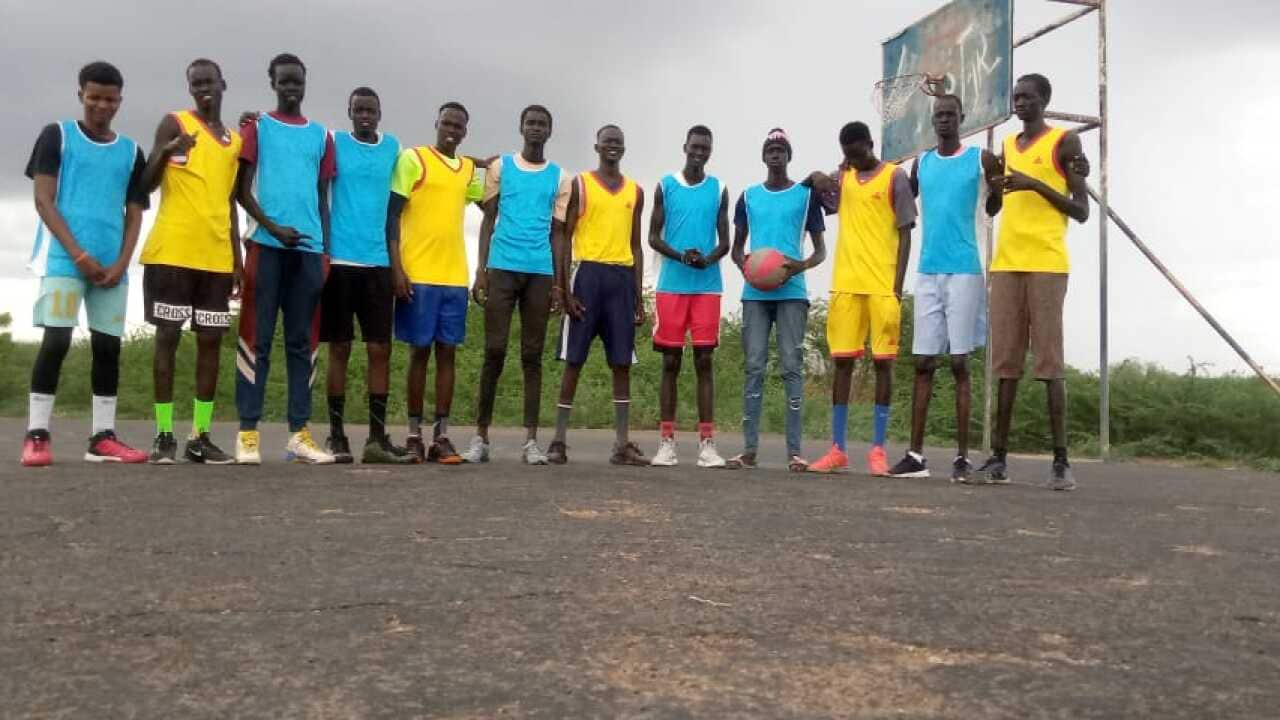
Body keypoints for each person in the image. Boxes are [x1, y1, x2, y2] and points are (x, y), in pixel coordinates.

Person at [21, 61, 149, 467]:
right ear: (81, 95)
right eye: (93, 97)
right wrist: (78, 254)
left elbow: (135, 212)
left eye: (109, 99)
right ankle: (37, 435)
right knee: (56, 341)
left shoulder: (132, 152)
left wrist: (123, 262)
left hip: (112, 266)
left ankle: (102, 438)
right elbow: (44, 200)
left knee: (108, 347)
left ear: (120, 101)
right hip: (63, 259)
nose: (101, 106)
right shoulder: (57, 136)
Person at [981, 73, 1090, 491]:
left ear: (1045, 100)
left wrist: (1035, 183)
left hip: (1046, 262)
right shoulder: (1008, 146)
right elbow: (995, 206)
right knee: (1005, 364)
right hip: (1006, 263)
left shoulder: (1065, 142)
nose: (1020, 103)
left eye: (1028, 97)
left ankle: (1061, 462)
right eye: (1016, 98)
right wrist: (994, 182)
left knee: (1049, 363)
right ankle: (998, 458)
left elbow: (1079, 210)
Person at [886, 94, 1004, 481]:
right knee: (923, 362)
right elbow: (902, 196)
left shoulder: (980, 160)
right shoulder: (923, 162)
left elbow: (995, 204)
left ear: (962, 119)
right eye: (938, 116)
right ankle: (916, 456)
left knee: (958, 363)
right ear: (932, 121)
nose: (944, 120)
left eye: (950, 115)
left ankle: (961, 457)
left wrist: (995, 193)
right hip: (928, 270)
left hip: (965, 269)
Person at [138, 58, 242, 465]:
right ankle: (164, 434)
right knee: (167, 338)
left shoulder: (232, 141)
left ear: (223, 84)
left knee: (211, 345)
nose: (204, 89)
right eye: (196, 83)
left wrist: (238, 256)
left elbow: (230, 202)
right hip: (173, 253)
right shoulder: (175, 123)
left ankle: (200, 436)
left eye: (210, 82)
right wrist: (166, 152)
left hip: (216, 258)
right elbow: (143, 186)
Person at [234, 52, 336, 465]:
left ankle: (299, 433)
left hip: (309, 253)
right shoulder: (257, 127)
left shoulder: (321, 135)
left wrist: (326, 251)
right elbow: (240, 191)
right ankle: (247, 434)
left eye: (297, 81)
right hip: (267, 246)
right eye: (284, 81)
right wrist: (273, 229)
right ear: (272, 82)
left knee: (302, 342)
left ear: (305, 84)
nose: (291, 88)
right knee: (256, 340)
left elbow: (323, 198)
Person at [462, 104, 570, 465]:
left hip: (539, 272)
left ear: (549, 132)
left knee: (532, 356)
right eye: (530, 123)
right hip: (502, 267)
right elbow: (487, 218)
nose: (536, 129)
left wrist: (558, 283)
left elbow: (558, 234)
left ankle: (530, 441)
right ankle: (481, 436)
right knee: (494, 351)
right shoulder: (501, 168)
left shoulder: (560, 177)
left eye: (542, 124)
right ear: (521, 128)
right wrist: (481, 270)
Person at [805, 122, 915, 475]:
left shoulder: (895, 177)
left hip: (883, 285)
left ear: (870, 144)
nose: (852, 159)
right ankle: (838, 449)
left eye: (858, 153)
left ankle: (878, 450)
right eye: (847, 154)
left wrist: (896, 288)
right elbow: (823, 199)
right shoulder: (844, 176)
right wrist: (815, 177)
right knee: (842, 364)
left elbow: (906, 234)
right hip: (846, 285)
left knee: (883, 364)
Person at [726, 128, 827, 472]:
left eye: (781, 149)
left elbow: (820, 252)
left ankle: (795, 452)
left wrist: (797, 267)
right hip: (755, 294)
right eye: (770, 149)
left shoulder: (805, 196)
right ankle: (749, 450)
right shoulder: (748, 196)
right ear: (763, 156)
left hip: (792, 294)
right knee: (754, 367)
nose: (775, 154)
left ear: (789, 156)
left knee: (791, 368)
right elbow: (737, 248)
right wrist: (746, 267)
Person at [321, 87, 412, 464]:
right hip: (340, 261)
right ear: (348, 111)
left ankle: (376, 439)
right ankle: (337, 435)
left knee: (380, 349)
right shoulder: (334, 142)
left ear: (379, 113)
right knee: (339, 348)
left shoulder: (393, 148)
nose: (364, 115)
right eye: (358, 109)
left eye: (370, 110)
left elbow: (401, 200)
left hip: (378, 262)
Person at [547, 124, 647, 466]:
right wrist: (563, 287)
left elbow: (636, 244)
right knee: (574, 360)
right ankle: (558, 441)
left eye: (618, 142)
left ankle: (621, 445)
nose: (612, 147)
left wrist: (639, 296)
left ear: (624, 147)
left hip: (621, 279)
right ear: (597, 146)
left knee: (622, 363)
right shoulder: (580, 184)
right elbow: (562, 233)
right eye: (607, 142)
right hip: (587, 274)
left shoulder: (636, 191)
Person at [389, 102, 477, 464]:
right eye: (446, 123)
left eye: (458, 125)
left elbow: (486, 201)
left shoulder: (469, 170)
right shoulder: (413, 159)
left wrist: (492, 164)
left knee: (447, 354)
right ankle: (413, 435)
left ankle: (441, 436)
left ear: (465, 131)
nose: (451, 130)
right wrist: (397, 268)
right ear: (436, 124)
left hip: (455, 276)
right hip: (419, 274)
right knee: (419, 353)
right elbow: (392, 215)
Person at [648, 124, 730, 468]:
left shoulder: (719, 188)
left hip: (707, 286)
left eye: (705, 148)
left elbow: (724, 241)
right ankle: (666, 442)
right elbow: (653, 236)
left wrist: (705, 260)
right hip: (671, 285)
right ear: (685, 146)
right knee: (670, 362)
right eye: (695, 146)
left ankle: (707, 444)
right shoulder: (665, 186)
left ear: (710, 151)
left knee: (704, 362)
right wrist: (682, 256)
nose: (699, 152)